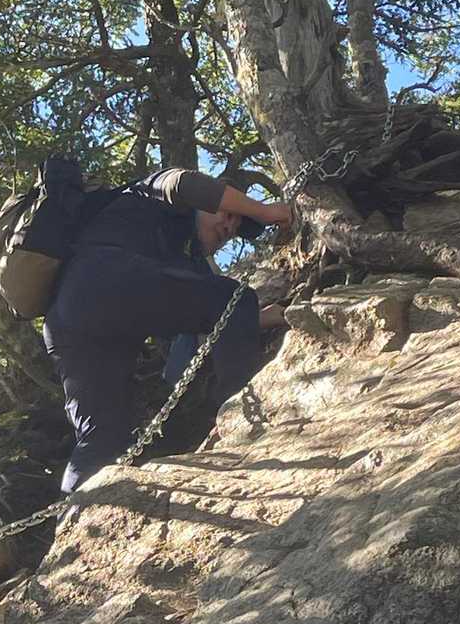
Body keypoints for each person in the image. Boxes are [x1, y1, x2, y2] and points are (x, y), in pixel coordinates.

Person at [43, 168, 297, 493]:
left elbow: (218, 317)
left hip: (69, 322)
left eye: (236, 228)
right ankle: (244, 421)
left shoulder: (184, 263)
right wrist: (265, 211)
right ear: (206, 201)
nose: (230, 226)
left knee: (103, 436)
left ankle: (73, 516)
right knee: (237, 296)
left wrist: (264, 317)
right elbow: (184, 183)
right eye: (228, 213)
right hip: (102, 279)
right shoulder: (152, 194)